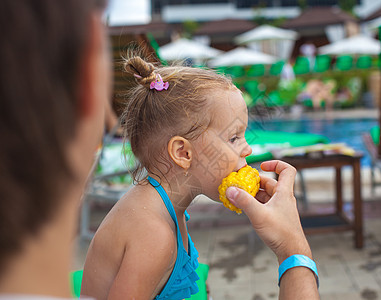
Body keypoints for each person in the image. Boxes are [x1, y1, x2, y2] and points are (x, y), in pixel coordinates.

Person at [0, 1, 318, 299]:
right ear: (182, 153)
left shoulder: (165, 203)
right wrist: (294, 251)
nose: (247, 148)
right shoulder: (154, 235)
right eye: (233, 138)